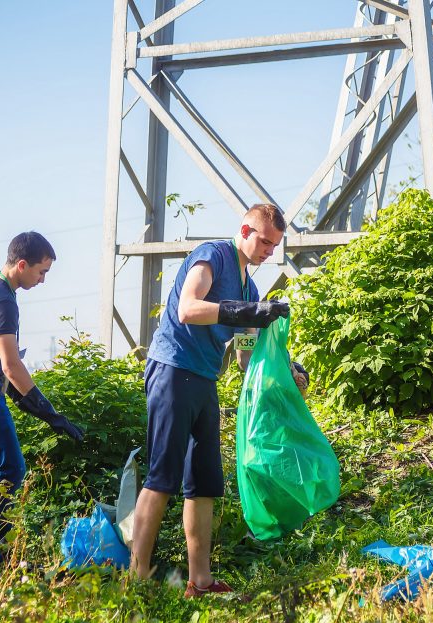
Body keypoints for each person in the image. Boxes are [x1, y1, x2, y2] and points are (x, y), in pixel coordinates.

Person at [130, 203, 307, 597]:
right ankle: (136, 579)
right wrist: (248, 311)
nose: (267, 251)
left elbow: (245, 357)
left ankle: (201, 580)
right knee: (163, 477)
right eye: (264, 241)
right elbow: (188, 309)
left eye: (274, 245)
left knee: (205, 482)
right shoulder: (213, 255)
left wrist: (288, 369)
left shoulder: (251, 289)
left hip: (205, 379)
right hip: (172, 370)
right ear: (245, 231)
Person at [0, 231, 84, 562]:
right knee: (8, 471)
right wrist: (51, 414)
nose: (43, 280)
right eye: (41, 272)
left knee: (9, 471)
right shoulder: (1, 300)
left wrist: (33, 406)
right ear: (22, 265)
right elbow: (11, 366)